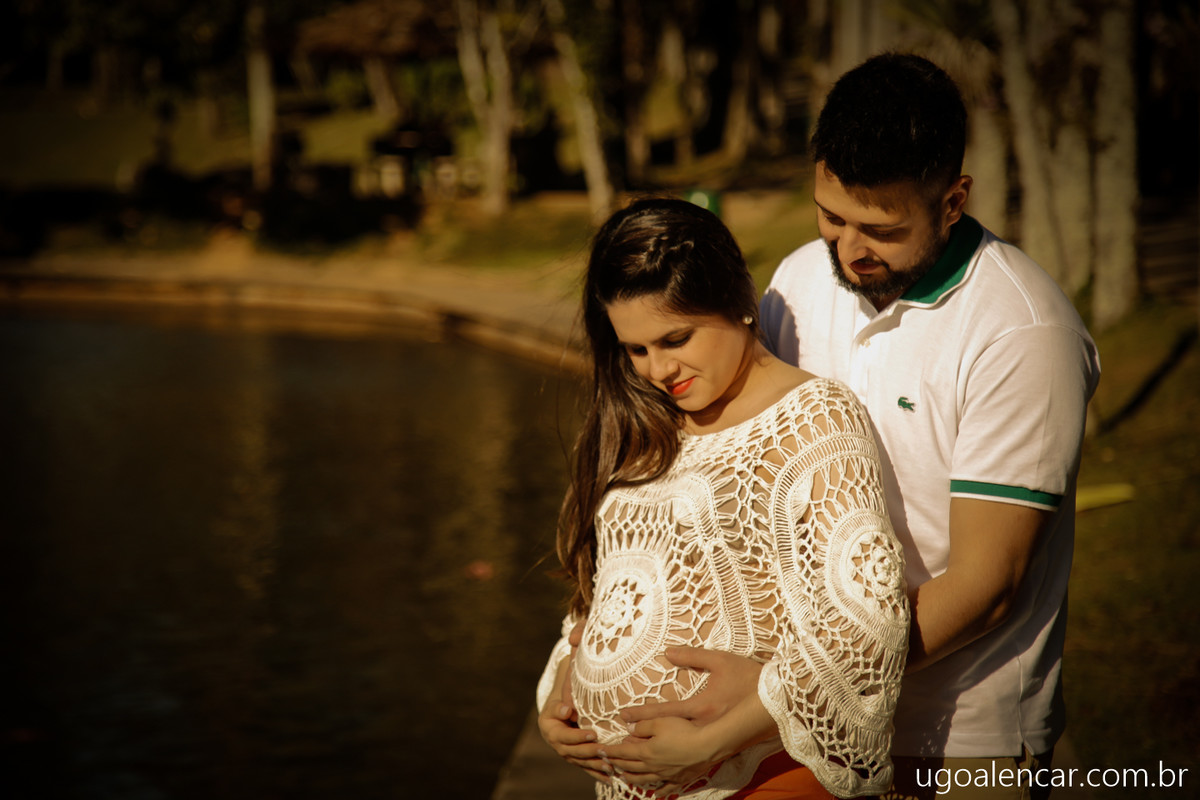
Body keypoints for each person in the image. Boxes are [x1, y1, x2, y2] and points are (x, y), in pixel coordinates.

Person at [543, 53, 1101, 799]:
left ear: (953, 201)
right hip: (785, 748)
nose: (848, 249)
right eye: (831, 216)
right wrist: (588, 652)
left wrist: (781, 688)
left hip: (959, 737)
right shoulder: (801, 281)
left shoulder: (1022, 333)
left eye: (880, 228)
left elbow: (987, 583)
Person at [536, 197, 910, 799]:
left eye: (675, 338)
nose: (658, 369)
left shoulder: (813, 421)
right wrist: (565, 679)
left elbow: (865, 625)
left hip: (762, 775)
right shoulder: (646, 425)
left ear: (739, 304)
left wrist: (711, 743)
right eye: (635, 350)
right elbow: (614, 587)